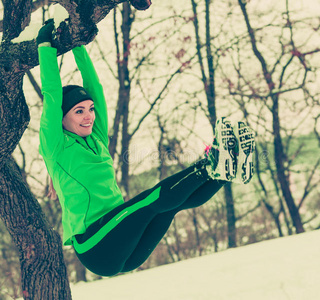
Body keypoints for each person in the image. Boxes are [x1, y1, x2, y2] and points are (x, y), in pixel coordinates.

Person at [37, 19, 255, 276]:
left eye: (90, 110)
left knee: (170, 206)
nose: (89, 116)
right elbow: (52, 95)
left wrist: (78, 46)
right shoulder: (56, 147)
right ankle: (211, 165)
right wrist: (44, 47)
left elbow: (95, 88)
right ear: (62, 119)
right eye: (79, 111)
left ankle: (226, 173)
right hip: (95, 244)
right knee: (152, 200)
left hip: (125, 247)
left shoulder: (97, 140)